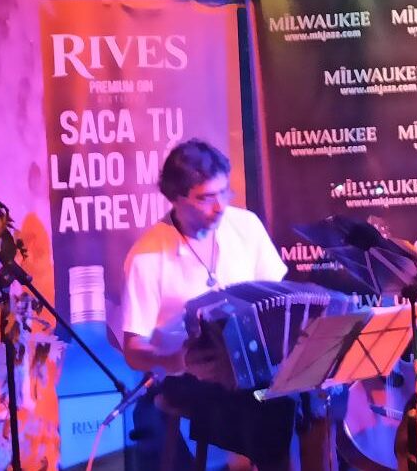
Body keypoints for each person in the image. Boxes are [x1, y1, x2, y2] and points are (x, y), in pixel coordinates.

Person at [122, 138, 292, 470]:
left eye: (224, 193)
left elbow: (277, 299)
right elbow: (133, 349)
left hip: (254, 367)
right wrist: (175, 359)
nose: (220, 207)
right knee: (276, 410)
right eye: (206, 198)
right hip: (188, 376)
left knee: (314, 396)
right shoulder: (147, 255)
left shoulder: (246, 226)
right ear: (176, 197)